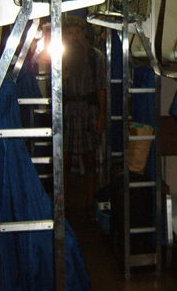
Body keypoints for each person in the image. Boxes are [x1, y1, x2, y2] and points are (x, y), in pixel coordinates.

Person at [62, 13, 106, 218]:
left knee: (90, 159)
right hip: (67, 112)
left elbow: (101, 88)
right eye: (69, 33)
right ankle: (63, 203)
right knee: (63, 159)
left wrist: (102, 116)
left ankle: (90, 201)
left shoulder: (96, 57)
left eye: (77, 32)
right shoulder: (59, 56)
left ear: (84, 34)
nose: (74, 37)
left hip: (89, 111)